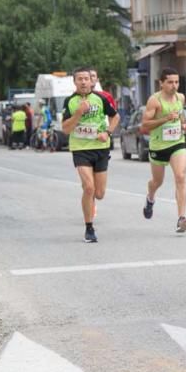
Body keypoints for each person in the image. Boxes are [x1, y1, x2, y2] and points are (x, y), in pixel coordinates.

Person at [61, 67, 119, 243]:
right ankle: (89, 228)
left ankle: (91, 196)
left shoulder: (101, 99)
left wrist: (107, 133)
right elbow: (65, 129)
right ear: (75, 82)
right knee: (88, 187)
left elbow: (115, 117)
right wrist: (78, 112)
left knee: (99, 193)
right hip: (80, 149)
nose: (84, 82)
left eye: (86, 78)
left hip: (100, 148)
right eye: (80, 79)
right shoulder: (70, 102)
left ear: (92, 81)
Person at [141, 67, 186, 233]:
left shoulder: (180, 97)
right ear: (161, 83)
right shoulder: (154, 101)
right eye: (170, 82)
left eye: (176, 82)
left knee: (180, 176)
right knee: (157, 182)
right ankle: (150, 198)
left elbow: (181, 117)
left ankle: (181, 218)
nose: (174, 85)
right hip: (158, 146)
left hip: (177, 143)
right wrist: (164, 119)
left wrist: (185, 125)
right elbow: (144, 125)